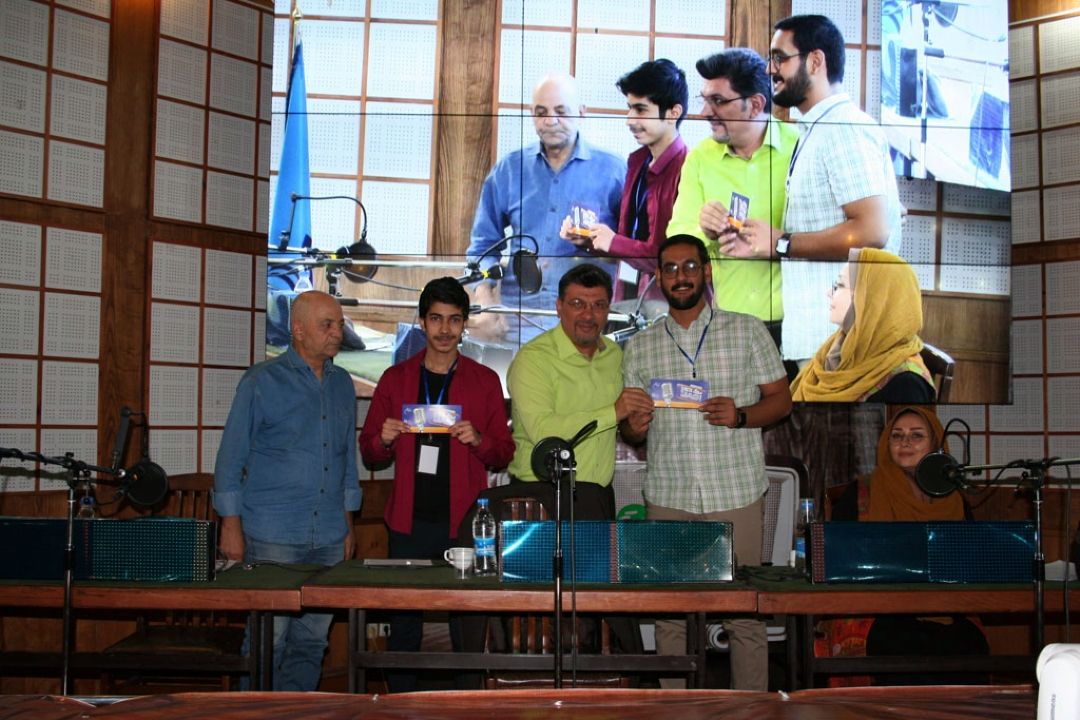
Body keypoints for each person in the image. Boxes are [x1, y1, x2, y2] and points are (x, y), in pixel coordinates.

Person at [621, 234, 792, 690]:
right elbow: (633, 432)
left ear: (707, 271)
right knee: (671, 616)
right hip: (669, 496)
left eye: (690, 266)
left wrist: (741, 415)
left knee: (745, 614)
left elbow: (782, 401)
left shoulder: (747, 330)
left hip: (735, 493)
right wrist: (634, 425)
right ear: (659, 278)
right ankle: (676, 710)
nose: (681, 276)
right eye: (671, 269)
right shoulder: (640, 346)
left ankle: (749, 710)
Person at [358, 277, 515, 692]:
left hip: (464, 522)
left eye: (454, 320)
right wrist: (382, 439)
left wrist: (479, 440)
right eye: (436, 319)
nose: (445, 329)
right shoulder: (395, 379)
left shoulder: (484, 380)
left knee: (466, 625)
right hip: (407, 522)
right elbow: (370, 452)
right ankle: (402, 705)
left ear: (464, 324)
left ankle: (464, 703)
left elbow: (504, 453)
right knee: (404, 623)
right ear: (422, 322)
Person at [721, 14, 903, 364]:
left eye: (779, 58)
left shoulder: (843, 128)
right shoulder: (817, 129)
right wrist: (763, 244)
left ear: (815, 61)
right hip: (821, 342)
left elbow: (872, 231)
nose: (770, 69)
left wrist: (782, 243)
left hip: (841, 342)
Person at [214, 290, 361, 691]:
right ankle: (256, 713)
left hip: (329, 536)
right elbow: (230, 459)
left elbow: (347, 461)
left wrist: (348, 524)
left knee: (312, 642)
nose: (337, 333)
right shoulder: (261, 381)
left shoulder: (343, 384)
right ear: (297, 330)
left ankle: (297, 710)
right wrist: (230, 526)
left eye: (339, 324)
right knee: (268, 640)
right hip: (272, 535)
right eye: (326, 325)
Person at [821, 406, 987, 686]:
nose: (905, 442)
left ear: (936, 445)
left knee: (967, 643)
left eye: (916, 435)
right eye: (897, 435)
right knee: (901, 643)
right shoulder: (862, 493)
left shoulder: (953, 498)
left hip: (945, 608)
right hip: (878, 609)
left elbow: (970, 561)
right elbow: (839, 555)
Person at [468, 74, 625, 345]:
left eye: (561, 112)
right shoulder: (510, 169)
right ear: (532, 114)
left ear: (581, 112)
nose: (550, 121)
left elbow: (632, 249)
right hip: (517, 320)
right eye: (541, 113)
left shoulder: (614, 171)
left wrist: (597, 245)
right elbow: (482, 246)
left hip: (585, 321)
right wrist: (484, 300)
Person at [666, 49, 798, 347]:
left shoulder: (799, 148)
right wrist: (705, 231)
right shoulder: (700, 158)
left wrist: (778, 242)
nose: (704, 112)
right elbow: (676, 240)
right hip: (729, 328)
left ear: (755, 104)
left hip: (795, 328)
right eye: (704, 99)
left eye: (718, 101)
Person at [506, 263, 653, 513]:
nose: (588, 315)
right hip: (540, 496)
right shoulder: (532, 359)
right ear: (559, 307)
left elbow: (623, 428)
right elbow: (544, 432)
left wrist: (636, 427)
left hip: (598, 495)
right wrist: (613, 412)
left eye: (598, 305)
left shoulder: (614, 355)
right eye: (577, 304)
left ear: (608, 310)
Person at [559, 59, 688, 302]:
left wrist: (614, 242)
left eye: (641, 110)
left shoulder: (688, 168)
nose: (629, 119)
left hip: (668, 304)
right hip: (628, 296)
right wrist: (588, 240)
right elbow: (627, 242)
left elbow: (670, 257)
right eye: (629, 108)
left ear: (674, 113)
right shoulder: (637, 162)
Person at [790, 248, 935, 403]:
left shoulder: (907, 385)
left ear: (873, 299)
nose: (829, 292)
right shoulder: (840, 346)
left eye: (839, 285)